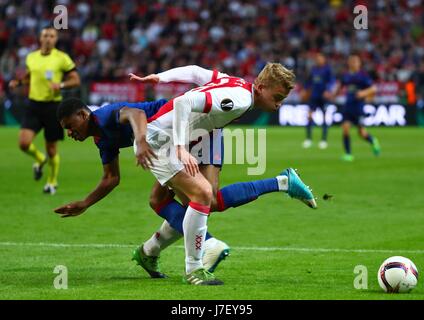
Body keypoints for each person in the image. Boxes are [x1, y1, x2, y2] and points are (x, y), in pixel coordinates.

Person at [56, 64, 317, 286]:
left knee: (191, 199)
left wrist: (161, 77)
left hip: (184, 133)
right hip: (165, 135)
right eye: (278, 96)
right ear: (260, 88)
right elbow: (183, 102)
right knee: (202, 195)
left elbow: (193, 73)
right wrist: (180, 147)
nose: (280, 103)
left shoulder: (238, 88)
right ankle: (194, 267)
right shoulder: (241, 97)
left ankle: (154, 252)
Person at [9, 26, 80, 194]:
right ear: (40, 39)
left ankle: (52, 182)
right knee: (24, 143)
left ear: (56, 39)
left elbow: (76, 80)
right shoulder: (31, 57)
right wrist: (19, 82)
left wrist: (61, 85)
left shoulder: (62, 58)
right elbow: (30, 75)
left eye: (52, 36)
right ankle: (40, 160)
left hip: (53, 107)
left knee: (52, 150)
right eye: (45, 35)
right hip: (34, 105)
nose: (48, 38)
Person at [333, 54, 380, 161]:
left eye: (355, 61)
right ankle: (348, 154)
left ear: (359, 63)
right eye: (351, 61)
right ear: (349, 63)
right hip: (348, 106)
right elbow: (340, 86)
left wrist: (363, 93)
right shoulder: (346, 75)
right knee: (345, 129)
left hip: (358, 108)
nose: (353, 63)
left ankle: (373, 141)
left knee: (362, 133)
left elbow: (373, 89)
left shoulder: (363, 76)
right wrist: (334, 94)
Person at [301, 53, 335, 149]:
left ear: (324, 59)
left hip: (323, 97)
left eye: (320, 58)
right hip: (314, 96)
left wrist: (328, 90)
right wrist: (305, 90)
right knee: (309, 116)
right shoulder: (313, 69)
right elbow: (309, 82)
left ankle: (323, 140)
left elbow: (331, 81)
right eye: (317, 58)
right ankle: (308, 139)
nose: (318, 60)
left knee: (324, 117)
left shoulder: (328, 70)